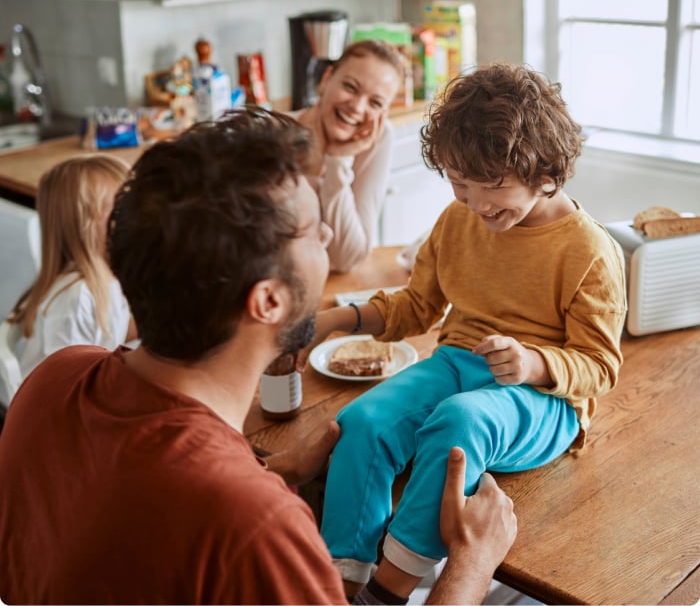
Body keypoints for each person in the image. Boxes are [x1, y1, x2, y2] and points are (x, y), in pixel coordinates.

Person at [0, 108, 516, 605]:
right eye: (313, 231)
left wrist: (276, 468)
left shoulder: (54, 379)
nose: (329, 235)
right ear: (268, 300)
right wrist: (472, 562)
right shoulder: (257, 528)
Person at [299, 63, 627, 600]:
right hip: (455, 363)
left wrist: (532, 363)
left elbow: (599, 366)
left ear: (546, 172)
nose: (476, 204)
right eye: (459, 184)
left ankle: (389, 589)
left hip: (544, 400)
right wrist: (334, 321)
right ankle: (341, 579)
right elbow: (418, 306)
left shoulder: (589, 250)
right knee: (362, 421)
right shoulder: (459, 220)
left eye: (493, 186)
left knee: (459, 422)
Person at [8, 155, 136, 379]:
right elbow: (61, 386)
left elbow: (109, 334)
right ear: (84, 226)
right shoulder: (76, 301)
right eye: (120, 211)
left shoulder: (105, 281)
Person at [294, 39, 404, 272]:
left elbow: (348, 257)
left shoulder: (378, 138)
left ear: (383, 113)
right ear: (326, 79)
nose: (357, 107)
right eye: (350, 87)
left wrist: (338, 160)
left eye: (375, 102)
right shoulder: (276, 131)